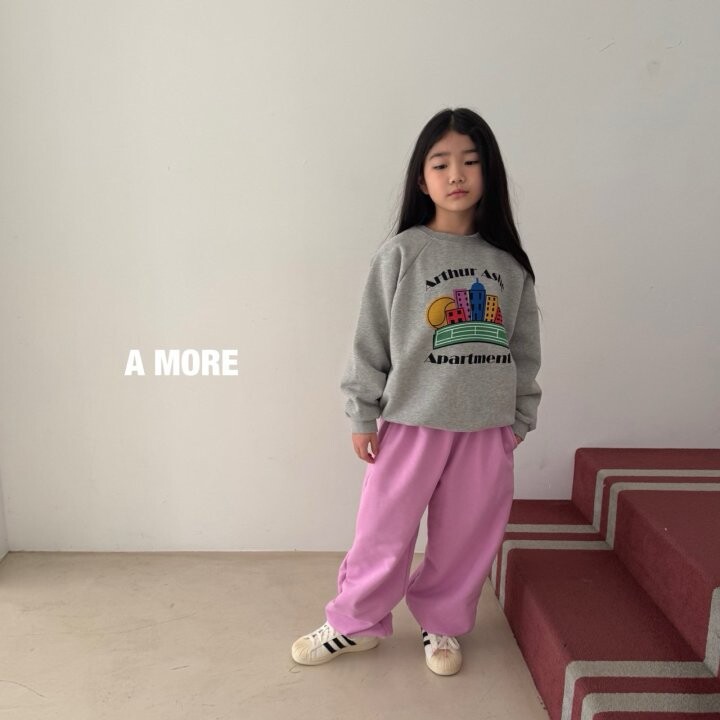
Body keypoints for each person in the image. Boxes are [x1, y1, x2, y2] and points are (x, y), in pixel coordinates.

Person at [291, 107, 541, 676]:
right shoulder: (401, 253)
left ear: (489, 174)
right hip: (411, 421)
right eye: (441, 163)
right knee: (383, 532)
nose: (457, 174)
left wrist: (519, 419)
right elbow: (370, 339)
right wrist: (362, 413)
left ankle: (443, 623)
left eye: (470, 162)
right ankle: (355, 623)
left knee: (466, 538)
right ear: (422, 179)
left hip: (486, 429)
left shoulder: (508, 265)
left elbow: (525, 349)